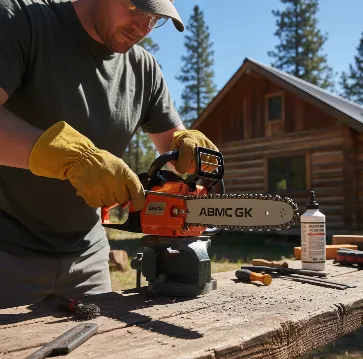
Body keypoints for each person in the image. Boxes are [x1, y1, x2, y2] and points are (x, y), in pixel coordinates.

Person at [0, 0, 219, 308]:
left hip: (88, 257)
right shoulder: (22, 21)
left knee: (104, 339)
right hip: (7, 252)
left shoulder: (144, 69)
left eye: (155, 18)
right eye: (137, 8)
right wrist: (67, 156)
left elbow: (173, 145)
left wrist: (187, 144)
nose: (143, 28)